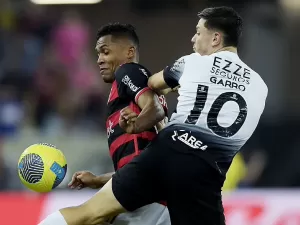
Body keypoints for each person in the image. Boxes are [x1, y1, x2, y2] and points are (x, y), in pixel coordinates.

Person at [38, 6, 268, 225]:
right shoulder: (260, 87)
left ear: (216, 39)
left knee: (89, 214)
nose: (193, 39)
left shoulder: (192, 62)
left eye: (198, 33)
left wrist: (170, 94)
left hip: (167, 152)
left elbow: (153, 84)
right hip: (206, 173)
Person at [38, 23, 170, 225]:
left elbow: (155, 111)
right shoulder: (130, 91)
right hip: (156, 196)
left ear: (129, 52)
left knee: (75, 218)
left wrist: (136, 125)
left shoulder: (128, 72)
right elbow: (137, 158)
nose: (99, 60)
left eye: (105, 52)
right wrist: (97, 180)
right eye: (98, 53)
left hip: (146, 186)